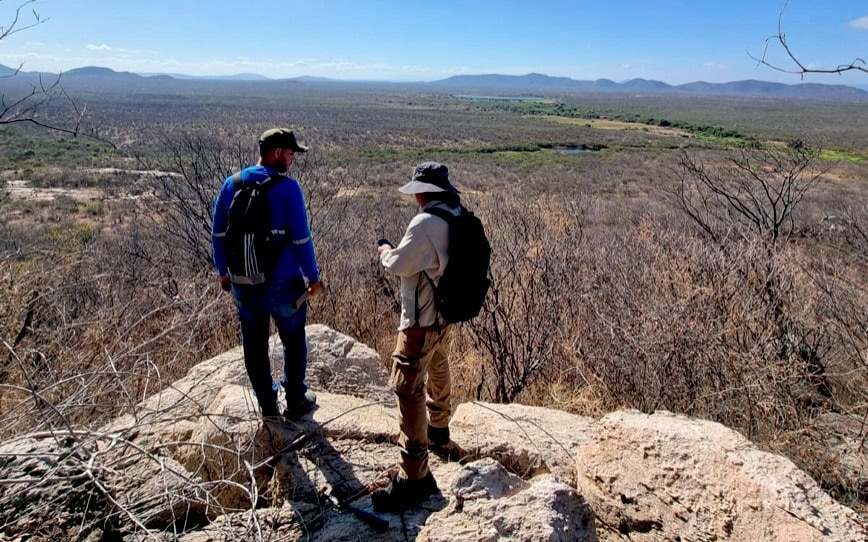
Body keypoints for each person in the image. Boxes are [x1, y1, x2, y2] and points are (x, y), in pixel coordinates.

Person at [211, 128, 322, 420]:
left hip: (243, 282)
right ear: (276, 153)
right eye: (290, 152)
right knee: (294, 338)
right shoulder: (287, 189)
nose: (293, 158)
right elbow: (301, 239)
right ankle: (296, 398)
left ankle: (267, 405)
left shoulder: (231, 184)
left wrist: (223, 271)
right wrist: (313, 276)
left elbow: (218, 233)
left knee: (254, 342)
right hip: (283, 282)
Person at [372, 161, 461, 512]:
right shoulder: (456, 214)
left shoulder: (425, 223)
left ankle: (414, 476)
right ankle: (438, 427)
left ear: (423, 193)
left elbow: (398, 265)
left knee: (406, 387)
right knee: (438, 363)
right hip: (444, 316)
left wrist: (384, 251)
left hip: (420, 320)